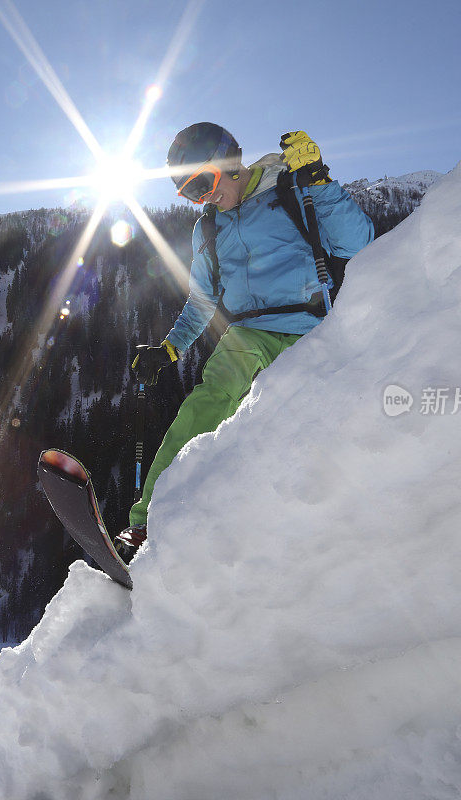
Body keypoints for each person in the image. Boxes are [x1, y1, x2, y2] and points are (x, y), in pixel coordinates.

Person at [115, 122, 374, 559]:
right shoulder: (208, 230)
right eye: (190, 194)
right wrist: (170, 349)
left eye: (203, 183)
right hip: (249, 332)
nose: (203, 199)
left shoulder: (291, 189)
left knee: (297, 428)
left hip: (311, 328)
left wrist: (319, 182)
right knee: (208, 402)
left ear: (229, 162)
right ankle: (145, 526)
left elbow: (359, 242)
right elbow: (201, 301)